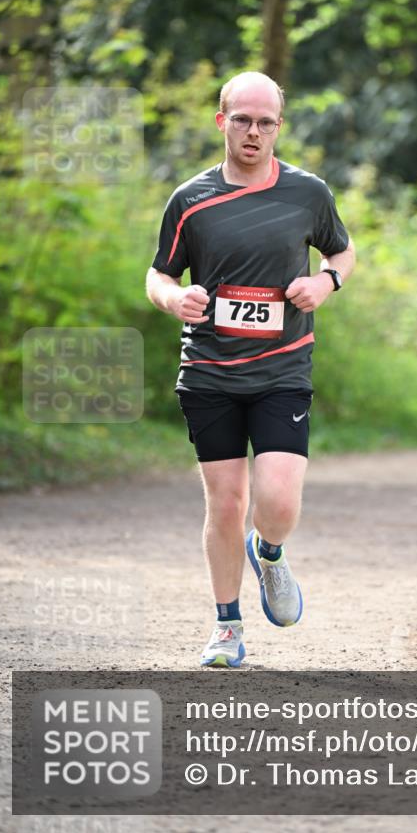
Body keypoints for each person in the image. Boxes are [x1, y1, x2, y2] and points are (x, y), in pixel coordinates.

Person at [146, 71, 355, 668]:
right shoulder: (190, 200)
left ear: (279, 128)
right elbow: (159, 272)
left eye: (266, 122)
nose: (254, 132)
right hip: (209, 371)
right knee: (226, 501)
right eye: (243, 119)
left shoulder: (308, 193)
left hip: (282, 368)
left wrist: (326, 280)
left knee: (279, 501)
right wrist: (171, 299)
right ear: (222, 122)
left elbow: (342, 249)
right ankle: (227, 628)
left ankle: (270, 553)